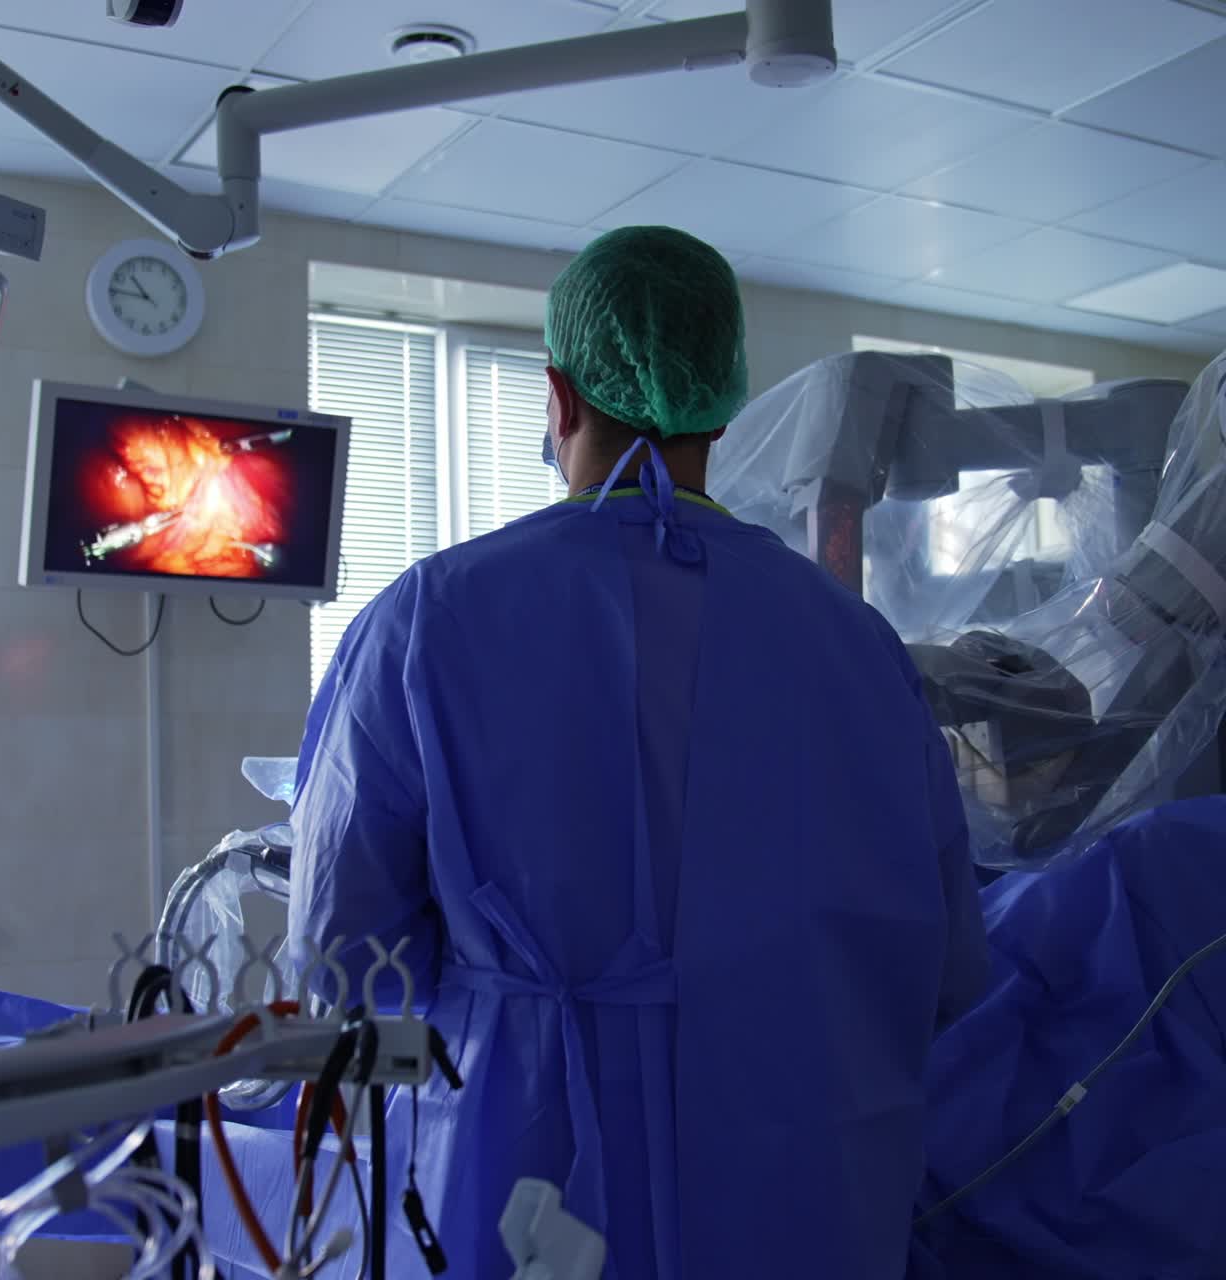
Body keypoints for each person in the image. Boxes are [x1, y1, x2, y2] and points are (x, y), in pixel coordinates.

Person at [288, 226, 988, 1280]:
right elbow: (943, 965)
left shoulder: (430, 619)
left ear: (558, 398)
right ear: (725, 399)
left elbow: (346, 962)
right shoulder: (855, 641)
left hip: (537, 1178)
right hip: (803, 1190)